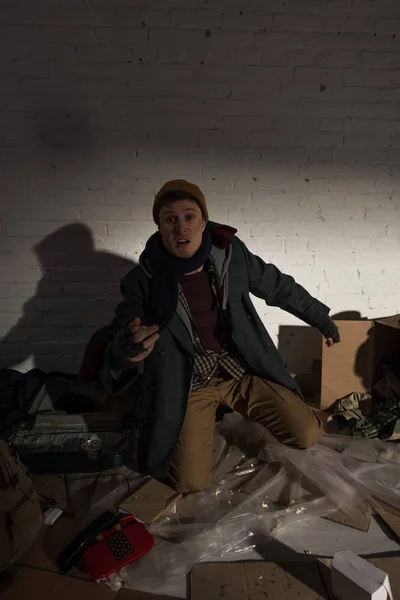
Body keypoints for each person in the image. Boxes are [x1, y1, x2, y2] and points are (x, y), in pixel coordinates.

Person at [100, 179, 340, 493]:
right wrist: (127, 348)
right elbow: (122, 331)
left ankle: (238, 409)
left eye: (189, 217)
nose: (180, 228)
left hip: (241, 373)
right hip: (190, 384)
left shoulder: (231, 256)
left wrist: (321, 319)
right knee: (189, 482)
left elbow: (278, 287)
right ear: (159, 226)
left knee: (307, 434)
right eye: (170, 219)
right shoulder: (142, 280)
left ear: (203, 221)